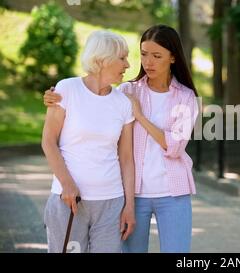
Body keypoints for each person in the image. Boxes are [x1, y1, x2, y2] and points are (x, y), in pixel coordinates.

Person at [43, 25, 199, 253]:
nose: (147, 62)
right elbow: (84, 108)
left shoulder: (184, 97)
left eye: (157, 56)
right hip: (133, 194)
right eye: (144, 54)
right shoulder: (127, 91)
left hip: (170, 192)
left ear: (173, 57)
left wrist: (140, 117)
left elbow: (174, 147)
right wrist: (52, 98)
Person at [41, 30, 136, 253]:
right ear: (102, 59)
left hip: (111, 203)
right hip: (69, 201)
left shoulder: (123, 103)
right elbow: (48, 141)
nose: (128, 64)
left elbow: (126, 159)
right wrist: (67, 184)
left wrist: (129, 206)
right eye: (122, 58)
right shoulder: (66, 89)